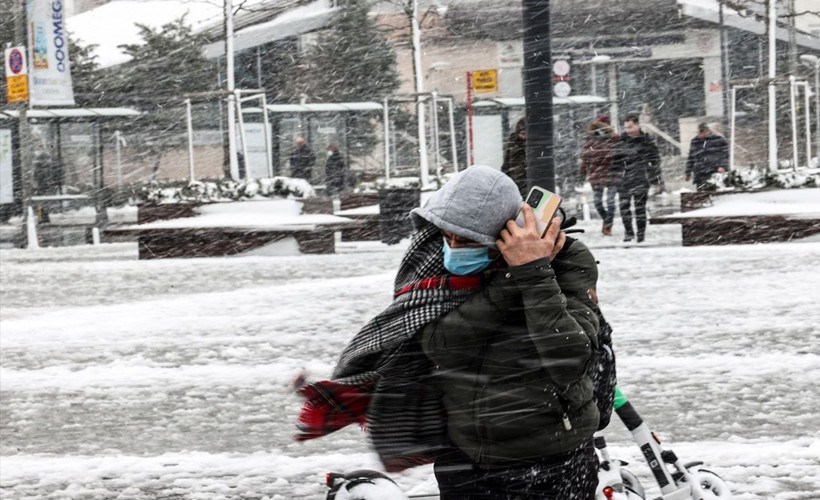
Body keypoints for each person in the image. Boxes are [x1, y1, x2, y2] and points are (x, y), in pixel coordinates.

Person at [295, 166, 601, 499]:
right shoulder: (432, 261)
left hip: (555, 458)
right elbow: (441, 345)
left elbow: (569, 359)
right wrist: (513, 278)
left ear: (506, 232)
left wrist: (533, 271)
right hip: (466, 459)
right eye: (448, 236)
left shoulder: (566, 259)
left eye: (467, 240)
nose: (453, 247)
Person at [610, 113, 663, 243]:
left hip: (641, 179)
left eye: (630, 127)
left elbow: (655, 161)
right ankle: (629, 233)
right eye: (626, 127)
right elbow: (614, 162)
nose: (628, 130)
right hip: (624, 180)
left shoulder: (647, 142)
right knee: (624, 208)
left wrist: (655, 179)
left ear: (637, 125)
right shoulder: (621, 142)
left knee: (640, 208)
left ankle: (640, 234)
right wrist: (613, 177)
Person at [580, 115, 619, 236]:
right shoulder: (591, 141)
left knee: (610, 201)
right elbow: (586, 159)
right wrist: (582, 174)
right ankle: (607, 220)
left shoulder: (615, 140)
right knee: (598, 203)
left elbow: (621, 156)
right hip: (596, 175)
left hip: (612, 174)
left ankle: (608, 225)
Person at [685, 123, 729, 191]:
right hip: (700, 173)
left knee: (715, 190)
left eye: (704, 131)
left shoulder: (718, 140)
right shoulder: (695, 141)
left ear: (708, 131)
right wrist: (688, 172)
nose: (702, 134)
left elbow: (724, 154)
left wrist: (722, 166)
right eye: (700, 132)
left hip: (714, 171)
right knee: (701, 193)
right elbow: (691, 157)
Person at [501, 117, 528, 195]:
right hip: (516, 182)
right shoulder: (513, 143)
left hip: (524, 181)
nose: (523, 136)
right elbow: (506, 164)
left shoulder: (531, 145)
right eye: (522, 133)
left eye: (525, 133)